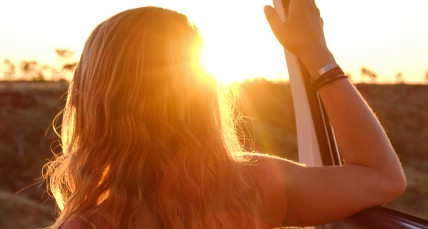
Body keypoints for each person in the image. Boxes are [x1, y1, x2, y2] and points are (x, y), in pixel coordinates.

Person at [43, 1, 406, 228]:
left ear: (89, 101)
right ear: (201, 95)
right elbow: (383, 177)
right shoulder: (253, 187)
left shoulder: (88, 225)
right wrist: (317, 54)